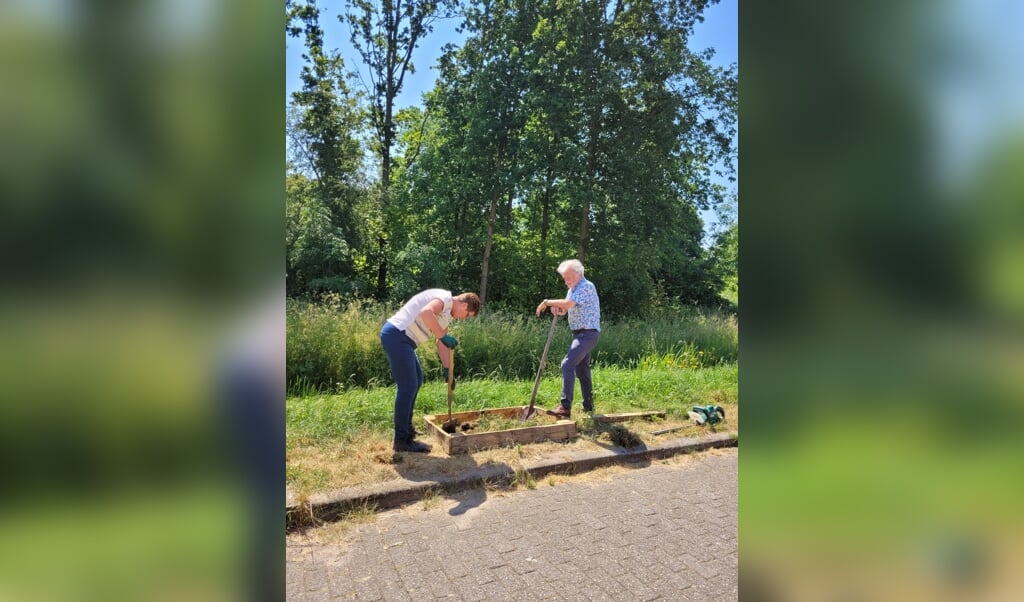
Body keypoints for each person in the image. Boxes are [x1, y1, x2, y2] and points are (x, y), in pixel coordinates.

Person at [381, 289, 480, 452]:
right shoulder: (444, 299)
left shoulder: (446, 314)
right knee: (408, 387)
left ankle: (407, 431)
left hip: (405, 341)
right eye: (467, 314)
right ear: (463, 304)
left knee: (417, 380)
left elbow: (442, 344)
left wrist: (448, 370)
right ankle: (401, 440)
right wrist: (442, 336)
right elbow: (426, 312)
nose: (464, 318)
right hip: (397, 335)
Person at [535, 259, 601, 418]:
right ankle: (589, 407)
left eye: (568, 277)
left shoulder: (586, 286)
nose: (566, 280)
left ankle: (565, 407)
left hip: (588, 333)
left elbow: (568, 303)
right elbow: (568, 307)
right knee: (582, 370)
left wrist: (547, 302)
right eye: (564, 277)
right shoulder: (573, 289)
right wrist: (560, 310)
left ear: (579, 274)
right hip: (579, 334)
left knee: (567, 364)